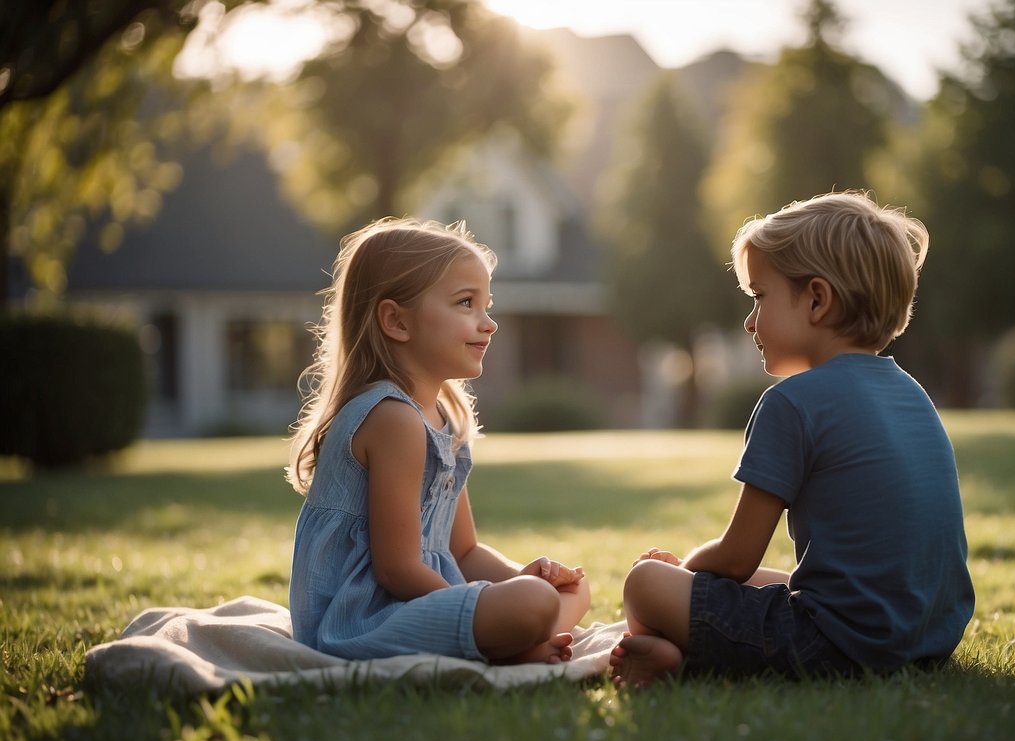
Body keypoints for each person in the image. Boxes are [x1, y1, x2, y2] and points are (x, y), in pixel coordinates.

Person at [609, 191, 974, 685]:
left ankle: (673, 660)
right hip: (927, 633)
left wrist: (688, 573)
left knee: (646, 583)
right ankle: (682, 645)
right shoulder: (910, 392)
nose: (750, 321)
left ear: (817, 300)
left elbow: (737, 557)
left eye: (759, 296)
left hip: (842, 644)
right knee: (770, 585)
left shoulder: (793, 402)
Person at [287, 217, 590, 665]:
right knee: (533, 603)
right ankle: (515, 638)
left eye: (487, 305)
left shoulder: (443, 418)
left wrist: (517, 577)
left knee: (570, 590)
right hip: (361, 621)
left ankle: (519, 637)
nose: (489, 324)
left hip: (419, 602)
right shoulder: (392, 419)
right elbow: (397, 570)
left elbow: (462, 550)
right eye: (466, 303)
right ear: (396, 321)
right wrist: (483, 602)